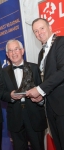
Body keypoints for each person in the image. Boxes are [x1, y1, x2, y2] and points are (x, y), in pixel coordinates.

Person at [26, 18, 64, 150]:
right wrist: (42, 95)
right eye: (35, 31)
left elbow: (62, 71)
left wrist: (40, 89)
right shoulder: (41, 53)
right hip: (51, 108)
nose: (39, 33)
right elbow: (47, 79)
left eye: (41, 28)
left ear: (50, 27)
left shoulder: (61, 42)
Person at [2, 39, 47, 150]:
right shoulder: (2, 72)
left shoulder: (34, 68)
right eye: (10, 51)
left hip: (35, 115)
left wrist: (40, 99)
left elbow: (43, 89)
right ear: (7, 55)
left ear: (22, 51)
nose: (14, 53)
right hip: (15, 117)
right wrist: (10, 96)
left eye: (16, 49)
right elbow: (0, 93)